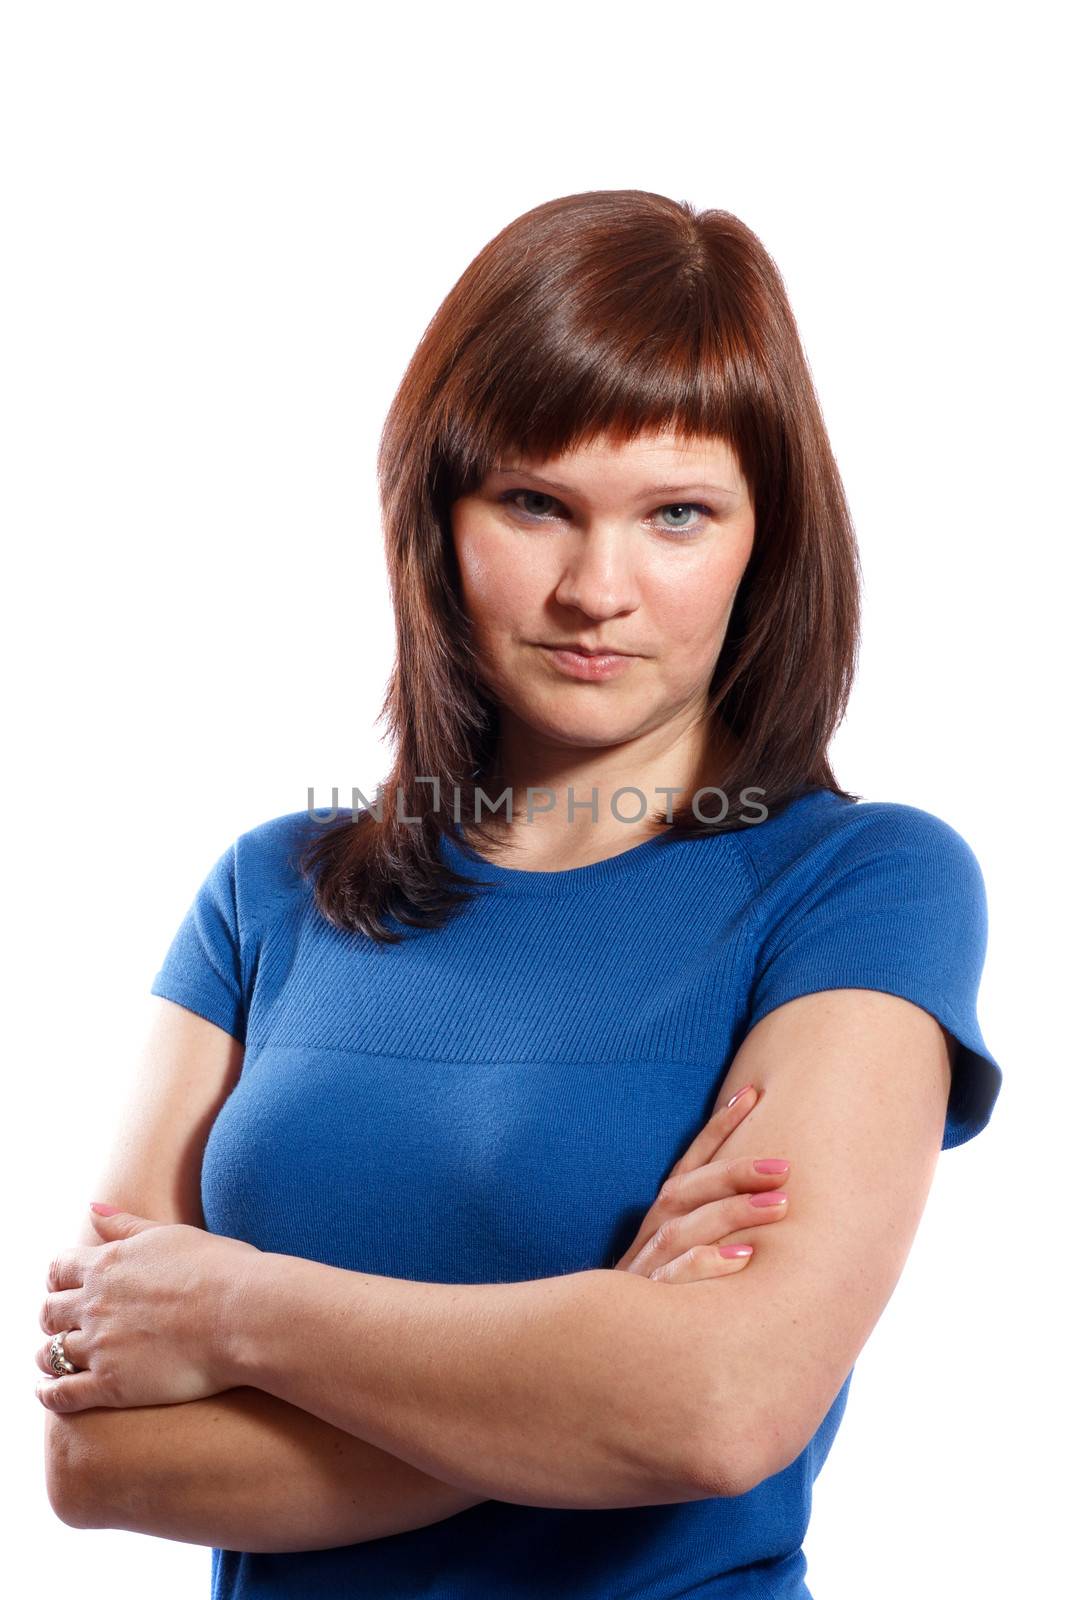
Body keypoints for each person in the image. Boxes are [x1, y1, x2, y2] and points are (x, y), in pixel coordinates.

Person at [37, 190, 1002, 1599]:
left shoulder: (863, 886)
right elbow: (99, 1459)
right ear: (439, 517)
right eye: (536, 504)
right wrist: (601, 1366)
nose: (596, 588)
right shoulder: (268, 895)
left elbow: (722, 1411)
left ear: (764, 539)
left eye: (676, 514)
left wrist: (237, 1309)